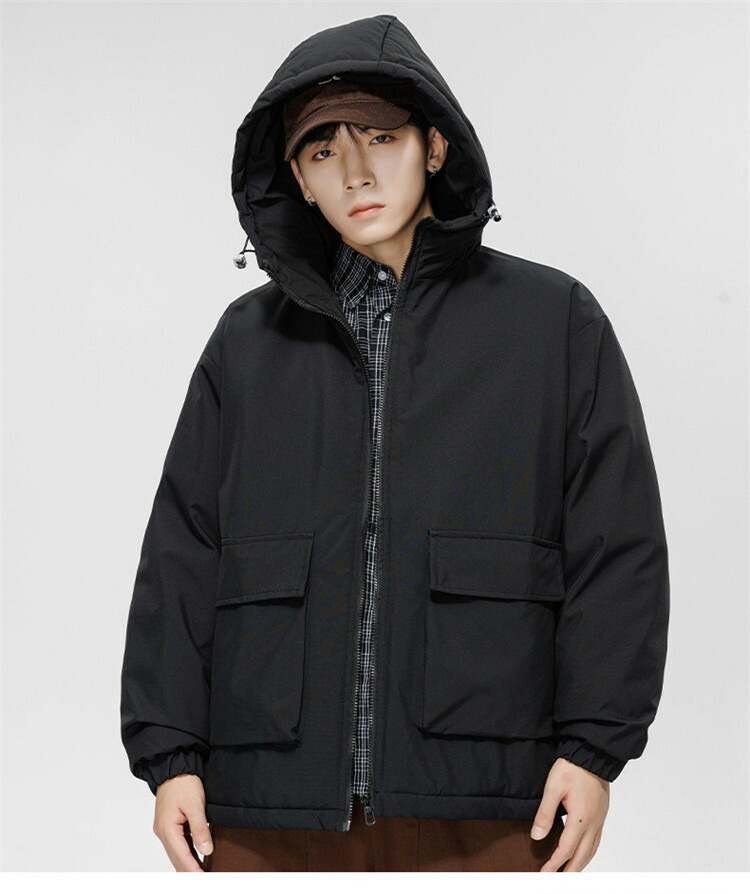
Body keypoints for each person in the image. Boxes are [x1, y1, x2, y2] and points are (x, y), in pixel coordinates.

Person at [120, 14, 670, 873]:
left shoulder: (553, 321)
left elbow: (618, 544)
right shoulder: (247, 341)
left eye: (380, 137)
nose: (356, 172)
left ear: (435, 147)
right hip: (266, 802)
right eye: (322, 151)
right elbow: (183, 551)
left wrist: (594, 749)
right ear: (299, 181)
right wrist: (171, 755)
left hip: (491, 798)